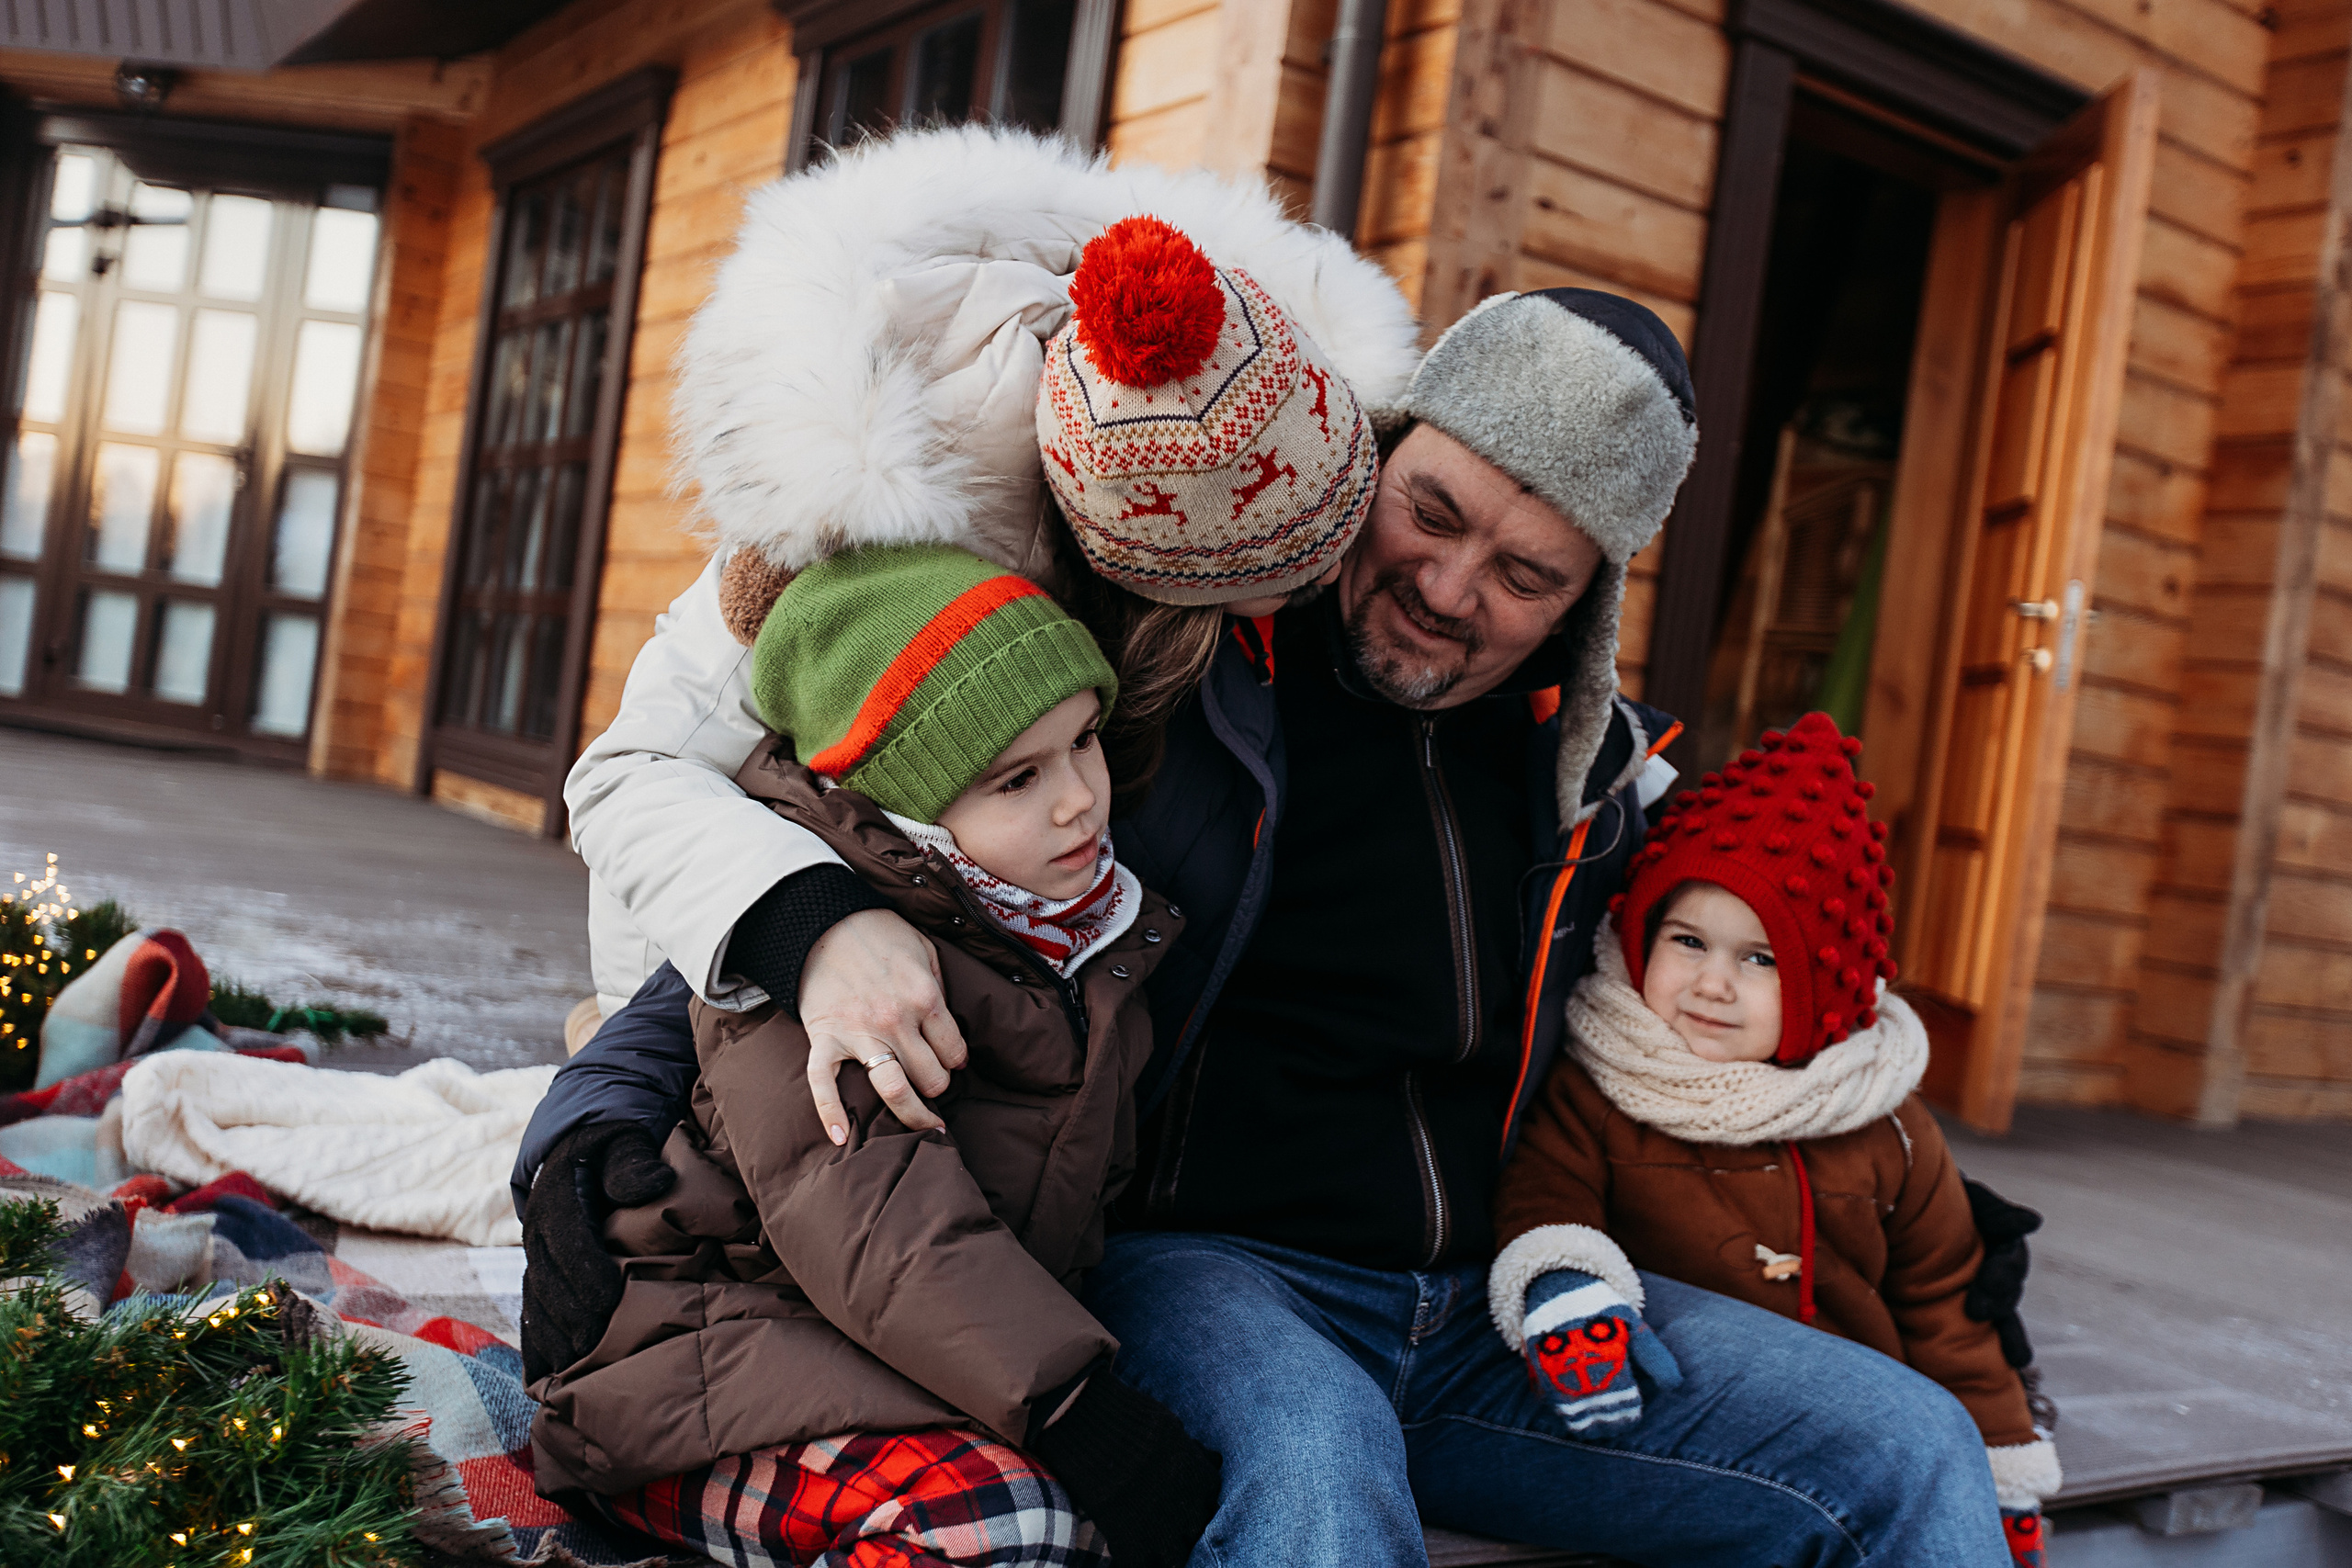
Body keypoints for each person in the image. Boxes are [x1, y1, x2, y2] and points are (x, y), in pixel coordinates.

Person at [523, 126, 2033, 1567]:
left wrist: (1935, 1226)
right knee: (1316, 1466)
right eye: (1429, 510)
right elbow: (815, 826)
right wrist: (598, 1109)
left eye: (1522, 573)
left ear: (1586, 598)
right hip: (1204, 1272)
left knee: (1905, 1447)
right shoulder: (1170, 632)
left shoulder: (1595, 782)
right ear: (1377, 447)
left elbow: (1722, 1008)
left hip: (1493, 1297)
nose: (1448, 587)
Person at [532, 543, 1225, 1568]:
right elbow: (870, 1219)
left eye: (1085, 743)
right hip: (696, 1372)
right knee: (1004, 1524)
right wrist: (1070, 1405)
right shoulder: (828, 974)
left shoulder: (1073, 931)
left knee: (1094, 1521)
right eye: (1017, 779)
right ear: (905, 807)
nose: (1078, 797)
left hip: (884, 1357)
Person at [1489, 710, 2059, 1568]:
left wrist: (2001, 1466)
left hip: (1855, 1439)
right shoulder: (1605, 1081)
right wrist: (1571, 1290)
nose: (1713, 983)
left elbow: (1949, 1305)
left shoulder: (1885, 1124)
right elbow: (1545, 1194)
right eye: (1688, 941)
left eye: (1760, 959)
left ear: (1825, 982)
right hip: (1684, 1424)